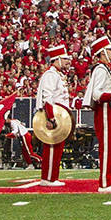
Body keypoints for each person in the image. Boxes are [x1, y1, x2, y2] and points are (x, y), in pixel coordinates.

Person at [84, 35, 111, 193]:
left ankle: (110, 181)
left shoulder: (106, 69)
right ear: (103, 52)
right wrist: (110, 96)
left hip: (109, 110)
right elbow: (96, 93)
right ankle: (105, 183)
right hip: (104, 109)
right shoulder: (100, 69)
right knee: (107, 147)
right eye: (110, 50)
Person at [35, 44, 73, 183]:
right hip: (54, 116)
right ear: (57, 59)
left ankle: (52, 177)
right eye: (64, 59)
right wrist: (50, 117)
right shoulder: (50, 75)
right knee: (52, 147)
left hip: (60, 116)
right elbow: (47, 98)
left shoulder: (57, 74)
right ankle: (48, 178)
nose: (68, 61)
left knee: (57, 148)